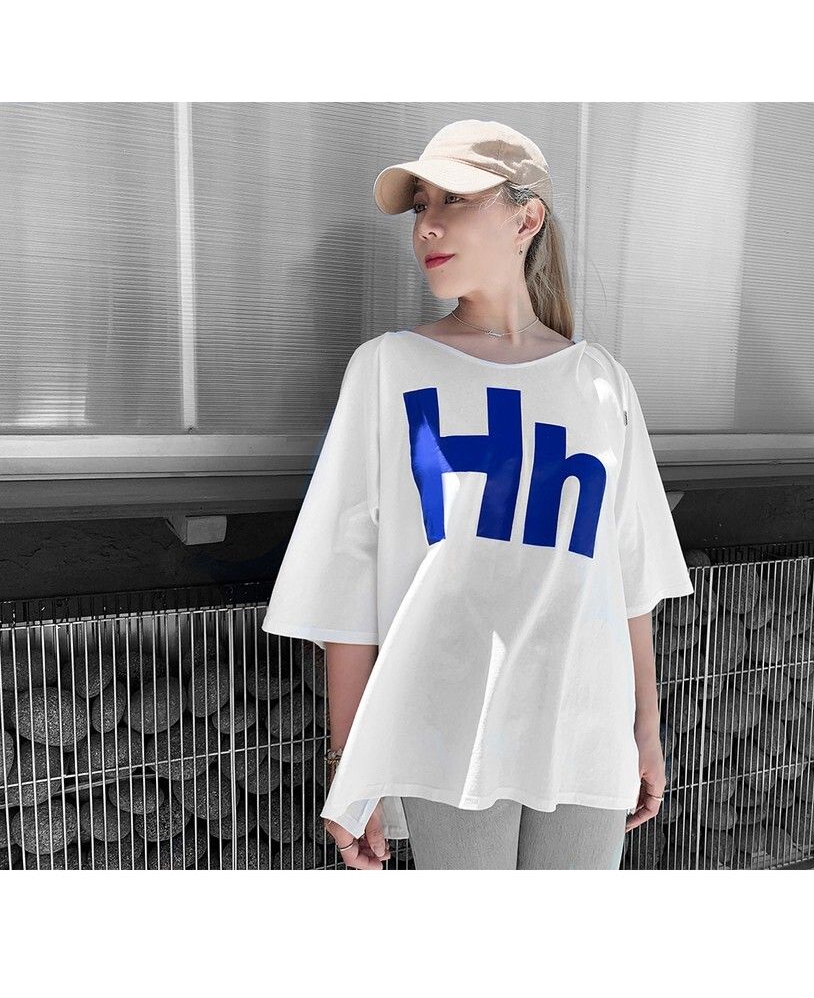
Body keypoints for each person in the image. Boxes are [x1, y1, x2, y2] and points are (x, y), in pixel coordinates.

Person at [261, 118, 694, 869]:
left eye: (453, 200)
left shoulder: (601, 383)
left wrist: (645, 731)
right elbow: (348, 578)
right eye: (420, 205)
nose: (426, 226)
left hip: (585, 724)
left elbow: (627, 575)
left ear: (526, 220)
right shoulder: (388, 369)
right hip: (449, 727)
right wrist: (349, 768)